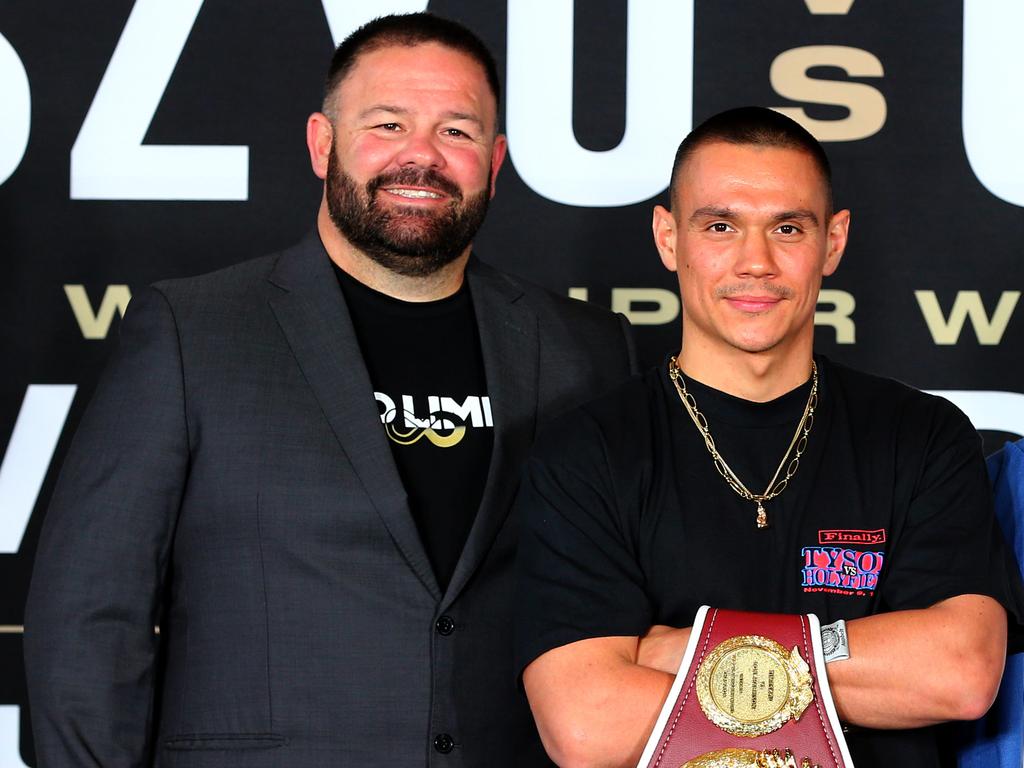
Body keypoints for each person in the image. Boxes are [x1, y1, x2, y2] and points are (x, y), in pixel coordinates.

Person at [24, 13, 636, 767]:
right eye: (387, 123)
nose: (422, 156)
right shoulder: (192, 332)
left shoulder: (586, 350)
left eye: (458, 131)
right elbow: (89, 621)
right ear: (323, 144)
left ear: (496, 158)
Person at [513, 106, 1024, 768]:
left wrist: (686, 651)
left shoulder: (920, 435)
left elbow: (958, 672)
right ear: (669, 239)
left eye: (788, 228)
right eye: (720, 226)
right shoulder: (586, 451)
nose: (755, 263)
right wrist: (846, 661)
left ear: (833, 243)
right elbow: (588, 726)